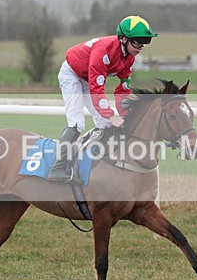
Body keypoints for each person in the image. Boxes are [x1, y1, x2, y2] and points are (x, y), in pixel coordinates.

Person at [47, 15, 157, 183]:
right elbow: (96, 89)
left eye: (145, 42)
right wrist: (111, 115)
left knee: (106, 124)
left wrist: (125, 115)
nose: (141, 47)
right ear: (123, 39)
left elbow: (122, 90)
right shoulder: (103, 51)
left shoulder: (130, 58)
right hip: (72, 75)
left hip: (88, 79)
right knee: (77, 123)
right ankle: (58, 168)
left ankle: (93, 162)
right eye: (137, 42)